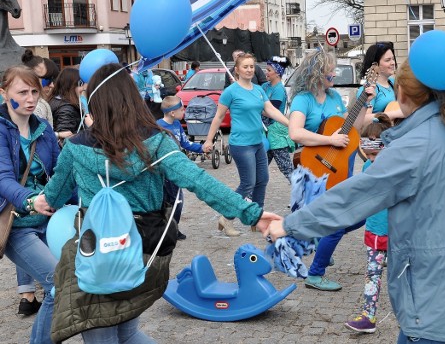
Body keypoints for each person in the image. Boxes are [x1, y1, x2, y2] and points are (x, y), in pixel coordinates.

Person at [266, 60, 445, 344]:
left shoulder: (412, 147)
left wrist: (291, 224)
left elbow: (354, 196)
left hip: (432, 287)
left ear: (402, 94)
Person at [32, 62, 280, 343]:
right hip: (144, 254)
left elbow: (54, 196)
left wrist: (32, 204)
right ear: (133, 98)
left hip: (96, 256)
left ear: (95, 103)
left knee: (103, 331)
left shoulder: (76, 147)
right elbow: (199, 180)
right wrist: (252, 214)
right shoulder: (158, 142)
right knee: (126, 334)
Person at [287, 49, 373, 291]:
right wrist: (329, 141)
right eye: (329, 74)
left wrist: (364, 104)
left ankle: (322, 242)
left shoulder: (335, 97)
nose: (333, 77)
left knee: (360, 215)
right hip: (314, 168)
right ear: (315, 74)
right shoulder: (303, 99)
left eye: (333, 73)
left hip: (340, 167)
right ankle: (316, 273)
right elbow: (295, 133)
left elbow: (351, 128)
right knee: (336, 221)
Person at [0, 66, 60, 343]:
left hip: (52, 220)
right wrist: (30, 200)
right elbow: (3, 178)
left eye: (35, 91)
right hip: (15, 225)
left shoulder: (44, 128)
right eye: (22, 92)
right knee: (58, 284)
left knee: (66, 285)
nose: (31, 98)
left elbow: (61, 172)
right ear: (4, 93)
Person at [203, 53, 288, 236]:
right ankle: (226, 218)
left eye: (251, 67)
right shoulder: (231, 91)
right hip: (241, 144)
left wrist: (291, 124)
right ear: (237, 70)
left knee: (262, 180)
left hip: (258, 142)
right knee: (247, 183)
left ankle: (256, 220)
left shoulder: (258, 89)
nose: (249, 70)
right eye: (245, 67)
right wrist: (209, 140)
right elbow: (218, 117)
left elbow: (270, 110)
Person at [344, 113, 393, 334]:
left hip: (400, 232)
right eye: (368, 154)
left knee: (406, 276)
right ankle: (368, 316)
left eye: (375, 154)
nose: (372, 159)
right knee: (372, 275)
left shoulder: (398, 168)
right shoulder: (367, 168)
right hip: (375, 230)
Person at [157, 95, 205, 240]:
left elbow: (185, 143)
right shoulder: (157, 127)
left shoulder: (177, 125)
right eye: (181, 109)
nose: (184, 111)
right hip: (163, 171)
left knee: (177, 201)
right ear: (172, 112)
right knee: (167, 202)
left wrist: (202, 148)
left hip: (176, 169)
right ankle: (166, 230)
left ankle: (173, 228)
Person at [262, 56, 295, 182]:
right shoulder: (265, 86)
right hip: (265, 133)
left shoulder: (279, 90)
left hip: (275, 133)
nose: (266, 72)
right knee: (260, 166)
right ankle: (249, 194)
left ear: (277, 73)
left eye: (269, 70)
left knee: (286, 167)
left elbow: (270, 112)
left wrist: (255, 108)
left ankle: (304, 193)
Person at [357, 42, 404, 125]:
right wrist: (395, 114)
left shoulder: (394, 83)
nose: (393, 63)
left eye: (393, 59)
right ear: (375, 65)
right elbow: (363, 120)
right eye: (387, 60)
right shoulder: (368, 89)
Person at [49, 67, 93, 144]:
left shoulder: (55, 100)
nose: (84, 88)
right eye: (80, 84)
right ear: (71, 85)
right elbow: (65, 139)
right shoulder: (66, 108)